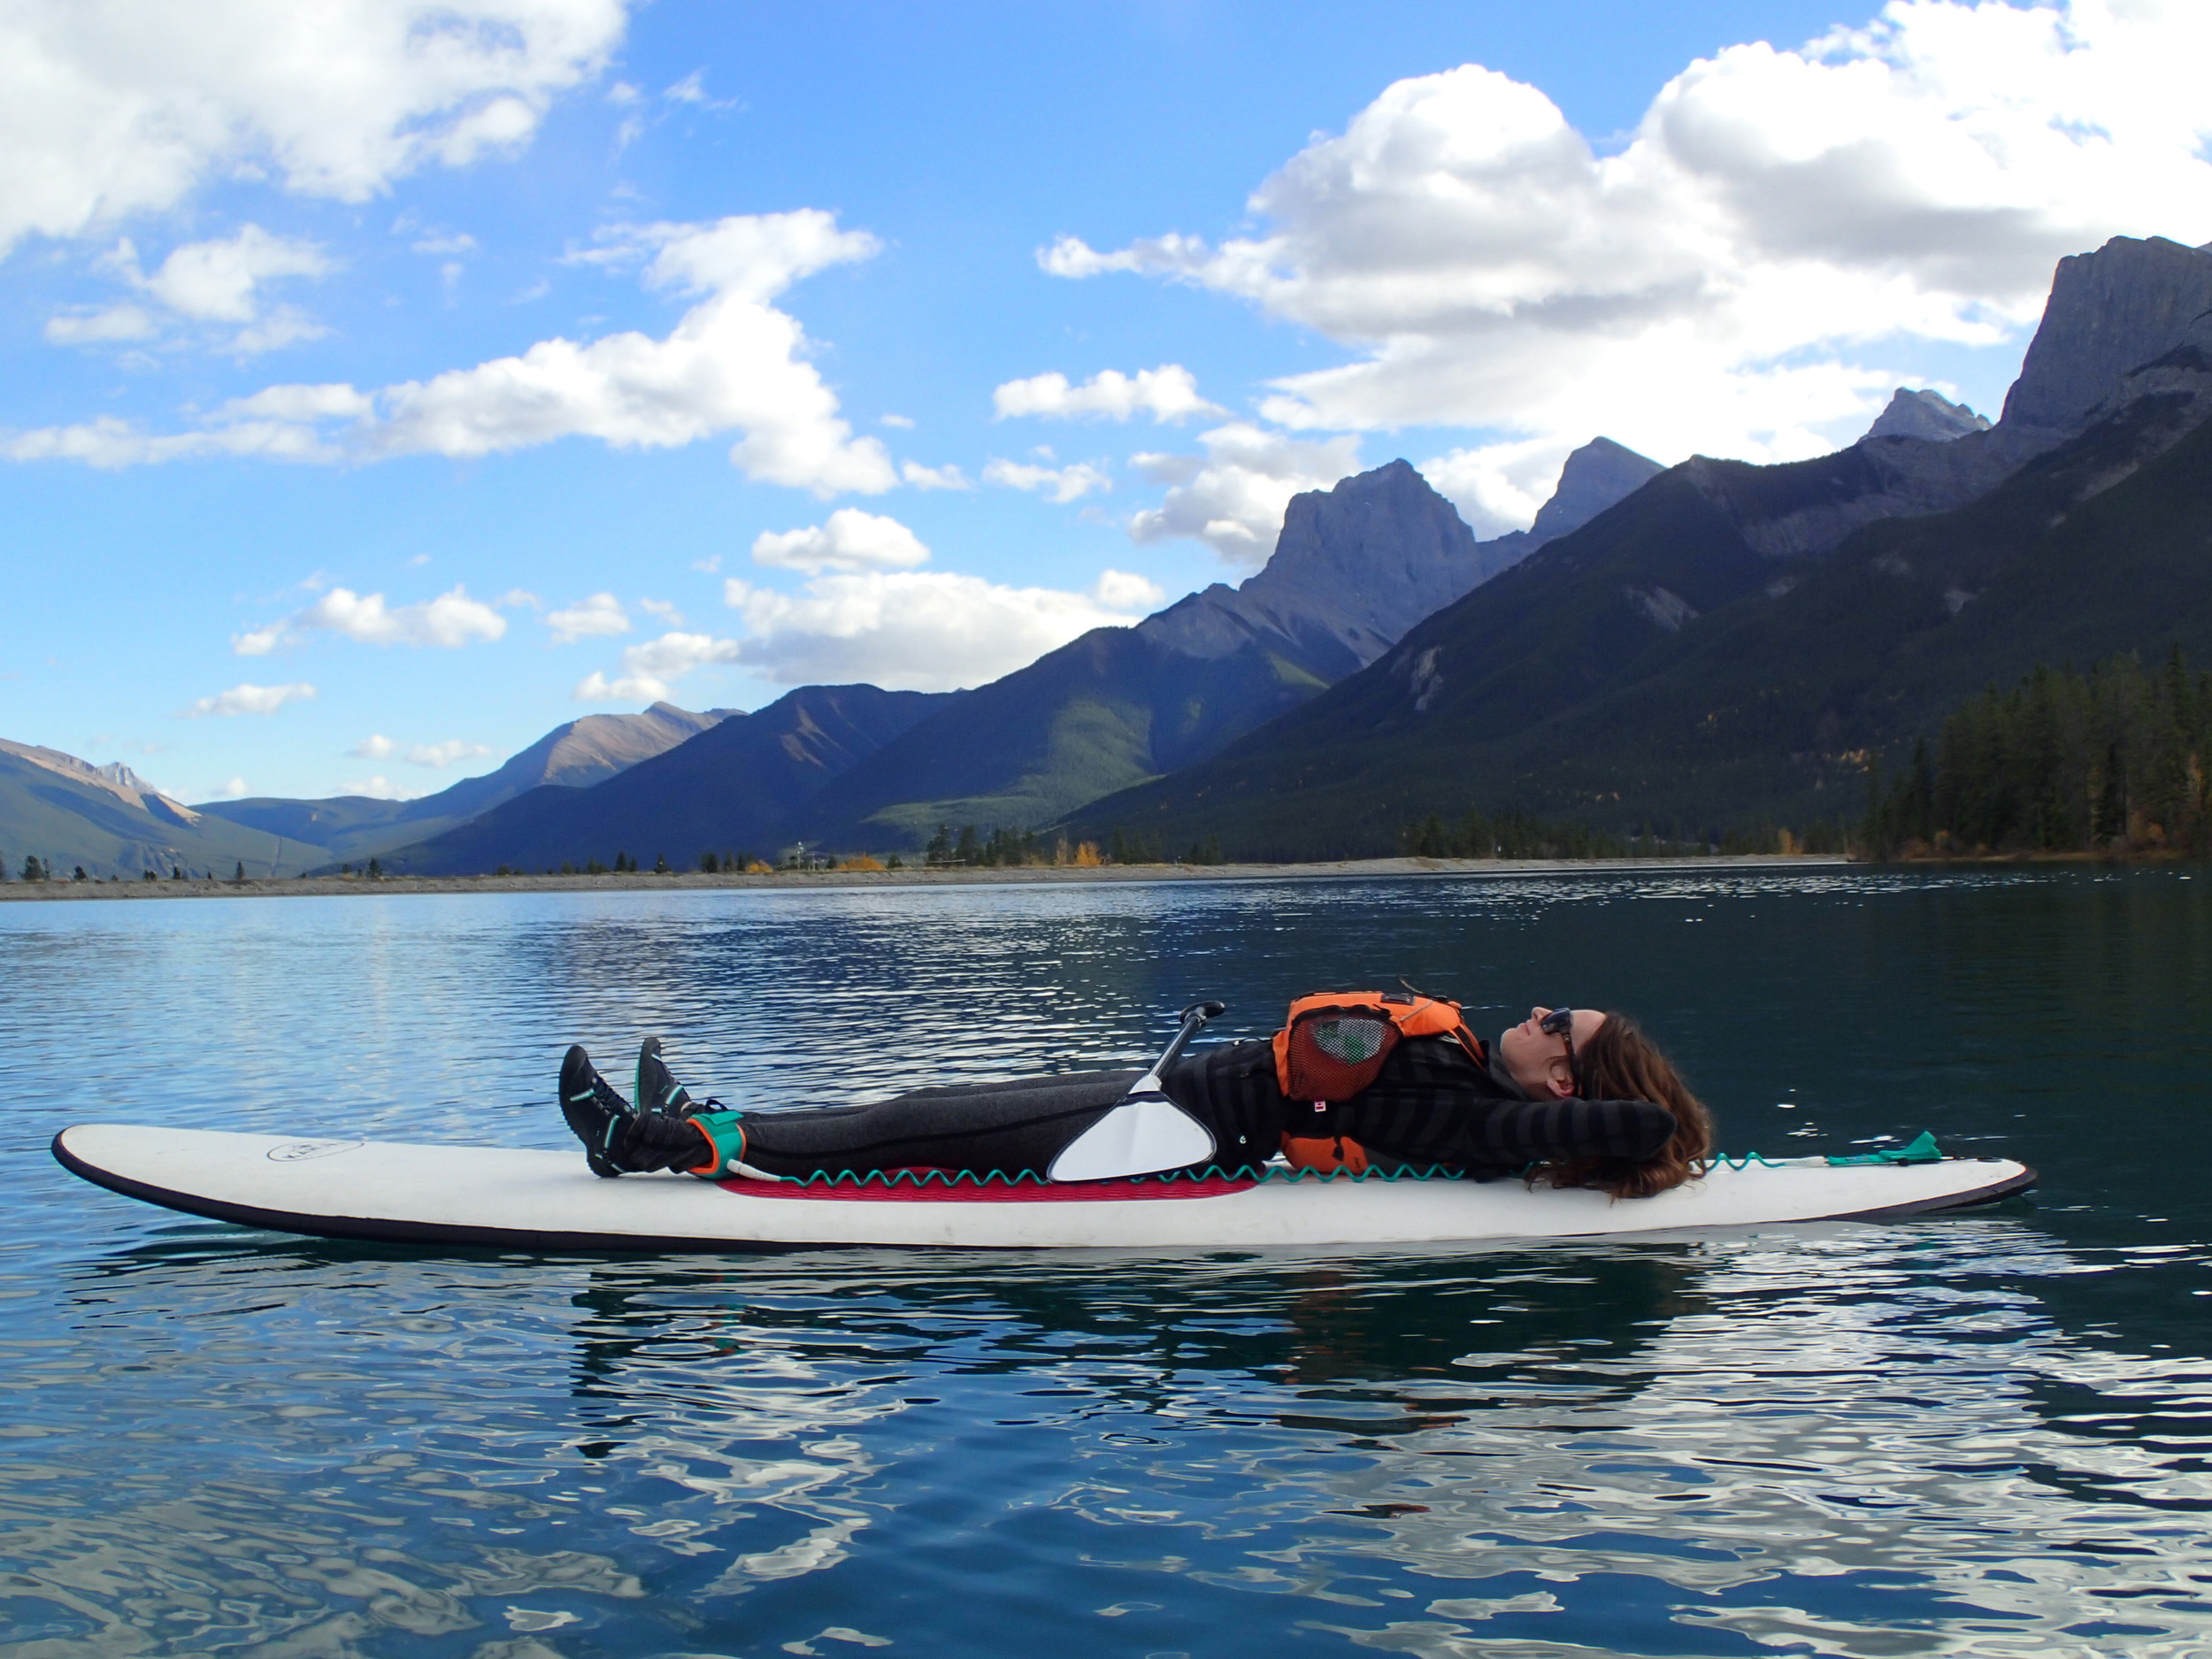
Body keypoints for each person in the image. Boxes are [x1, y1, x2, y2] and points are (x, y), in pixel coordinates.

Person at [559, 1002, 1714, 1199]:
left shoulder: (1494, 1122)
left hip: (1163, 1135)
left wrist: (1676, 1141)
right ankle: (719, 1117)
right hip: (1152, 1093)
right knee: (926, 1099)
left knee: (914, 1123)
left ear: (1562, 1084)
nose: (1545, 1010)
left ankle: (651, 1142)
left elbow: (1646, 1127)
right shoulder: (1467, 1070)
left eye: (1563, 1029)